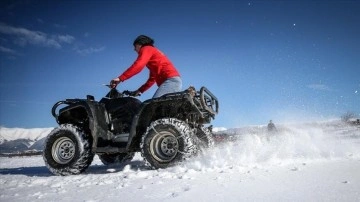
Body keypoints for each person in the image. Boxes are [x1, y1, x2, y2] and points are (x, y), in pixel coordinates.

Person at [110, 35, 182, 98]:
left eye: (135, 46)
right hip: (173, 81)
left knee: (153, 107)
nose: (134, 49)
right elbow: (152, 79)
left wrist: (120, 78)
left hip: (170, 81)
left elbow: (138, 65)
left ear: (140, 44)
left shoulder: (146, 48)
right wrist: (140, 90)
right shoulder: (152, 54)